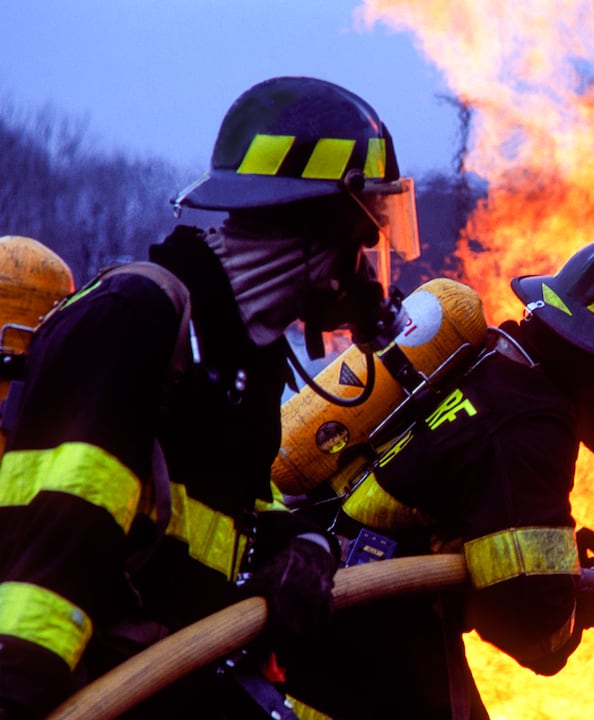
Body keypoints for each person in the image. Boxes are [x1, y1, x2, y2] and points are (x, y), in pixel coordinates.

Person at [0, 75, 420, 719]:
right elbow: (59, 529)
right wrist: (18, 698)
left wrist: (307, 547)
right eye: (367, 237)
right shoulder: (135, 319)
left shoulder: (236, 361)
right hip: (96, 687)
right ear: (320, 226)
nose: (369, 270)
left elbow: (242, 520)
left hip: (183, 671)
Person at [278, 235, 594, 719]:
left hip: (331, 623)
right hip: (359, 661)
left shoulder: (495, 365)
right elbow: (534, 629)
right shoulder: (529, 427)